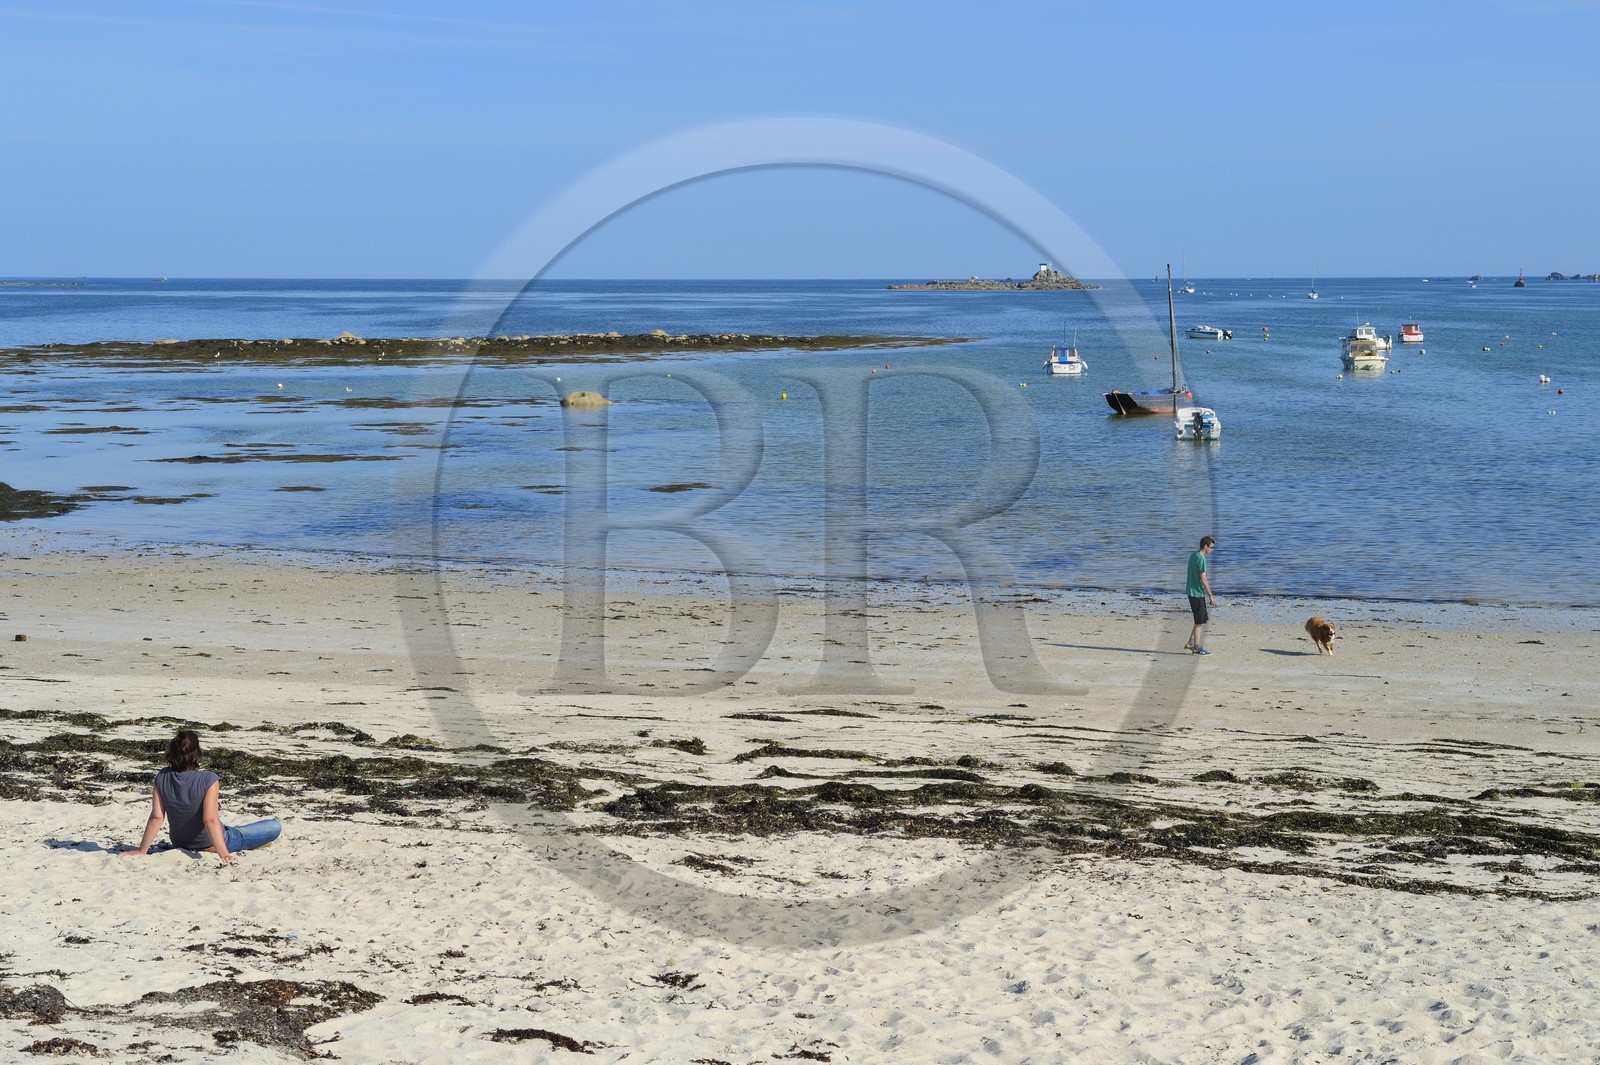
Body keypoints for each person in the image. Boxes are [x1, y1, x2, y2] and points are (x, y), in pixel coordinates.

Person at [119, 729, 281, 864]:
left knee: (231, 828)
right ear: (197, 754)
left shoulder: (162, 776)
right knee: (274, 826)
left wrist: (141, 850)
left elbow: (156, 817)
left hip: (180, 842)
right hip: (212, 843)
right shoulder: (208, 779)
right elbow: (209, 820)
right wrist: (224, 854)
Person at [1185, 536, 1217, 655]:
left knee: (1198, 619)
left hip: (1190, 591)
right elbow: (1203, 579)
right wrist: (1211, 596)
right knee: (1199, 622)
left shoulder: (1193, 555)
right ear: (1205, 546)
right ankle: (1196, 648)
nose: (1212, 550)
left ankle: (1190, 643)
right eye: (1211, 547)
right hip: (1197, 593)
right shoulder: (1201, 558)